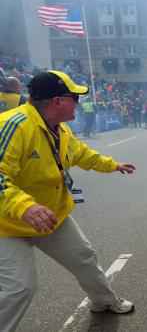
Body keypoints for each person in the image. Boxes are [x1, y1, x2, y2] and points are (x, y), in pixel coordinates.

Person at [0, 71, 136, 331]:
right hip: (6, 224)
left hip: (50, 214)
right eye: (75, 97)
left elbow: (80, 154)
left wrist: (113, 165)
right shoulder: (14, 124)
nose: (79, 102)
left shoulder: (60, 129)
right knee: (19, 288)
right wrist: (25, 206)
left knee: (84, 257)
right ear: (58, 101)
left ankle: (104, 301)